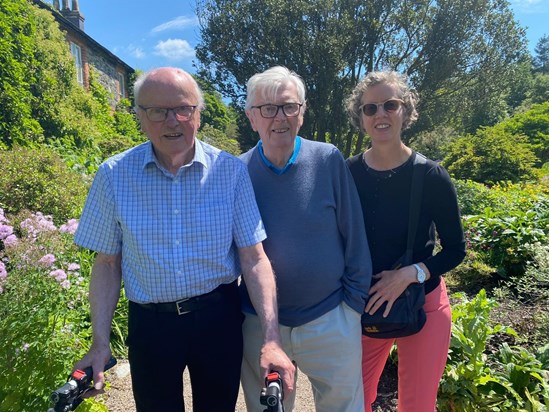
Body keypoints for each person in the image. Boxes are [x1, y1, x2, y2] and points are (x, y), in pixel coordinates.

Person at [72, 67, 295, 411]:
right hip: (151, 325)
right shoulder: (113, 176)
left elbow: (254, 258)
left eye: (182, 109)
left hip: (217, 318)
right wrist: (100, 342)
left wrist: (271, 339)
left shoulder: (230, 171)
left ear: (198, 115)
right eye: (157, 111)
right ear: (140, 117)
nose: (172, 121)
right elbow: (106, 263)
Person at [239, 66, 372, 412]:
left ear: (302, 112)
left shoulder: (327, 158)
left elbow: (354, 233)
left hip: (331, 317)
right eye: (267, 108)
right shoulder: (237, 172)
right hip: (261, 324)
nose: (278, 117)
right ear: (252, 117)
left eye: (288, 106)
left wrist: (352, 307)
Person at [345, 71, 466, 411]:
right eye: (370, 108)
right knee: (353, 400)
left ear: (406, 110)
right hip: (365, 304)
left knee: (417, 404)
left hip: (423, 301)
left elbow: (456, 249)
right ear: (361, 117)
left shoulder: (431, 176)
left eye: (390, 104)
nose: (380, 114)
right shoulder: (347, 173)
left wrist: (410, 274)